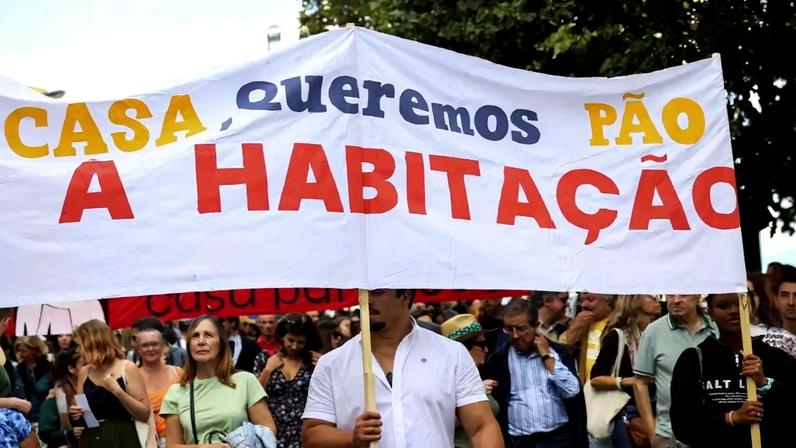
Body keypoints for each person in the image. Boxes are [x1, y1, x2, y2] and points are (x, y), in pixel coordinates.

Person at [302, 289, 502, 448]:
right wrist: (351, 438)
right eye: (363, 292)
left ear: (405, 297)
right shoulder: (332, 363)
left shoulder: (451, 354)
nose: (367, 300)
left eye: (377, 292)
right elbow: (312, 435)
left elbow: (481, 428)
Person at [670, 293, 796, 447]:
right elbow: (682, 426)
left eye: (740, 304)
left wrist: (764, 384)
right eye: (723, 306)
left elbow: (790, 417)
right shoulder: (694, 360)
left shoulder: (777, 359)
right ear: (710, 312)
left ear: (751, 308)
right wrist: (731, 418)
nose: (734, 311)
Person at [160, 315, 277, 446]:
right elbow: (172, 445)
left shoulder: (245, 381)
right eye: (195, 336)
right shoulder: (176, 392)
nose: (201, 341)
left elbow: (267, 431)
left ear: (221, 343)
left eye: (208, 335)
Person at [483, 298, 584, 448]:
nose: (515, 335)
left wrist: (546, 356)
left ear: (535, 326)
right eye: (509, 329)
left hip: (557, 440)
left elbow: (572, 391)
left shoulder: (559, 353)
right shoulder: (497, 361)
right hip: (518, 442)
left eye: (521, 328)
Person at [632, 294, 718, 448]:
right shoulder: (654, 332)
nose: (675, 300)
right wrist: (652, 432)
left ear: (697, 295)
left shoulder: (716, 327)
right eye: (671, 294)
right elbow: (640, 382)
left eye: (683, 294)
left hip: (714, 431)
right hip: (668, 435)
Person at [589, 295, 661, 448]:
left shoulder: (655, 333)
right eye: (650, 296)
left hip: (655, 407)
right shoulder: (618, 336)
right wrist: (630, 381)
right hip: (625, 410)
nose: (657, 299)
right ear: (634, 300)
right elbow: (595, 379)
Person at [70, 319, 151, 448]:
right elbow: (81, 413)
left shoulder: (127, 368)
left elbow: (144, 414)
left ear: (92, 343)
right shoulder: (84, 372)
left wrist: (118, 392)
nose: (78, 351)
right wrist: (76, 412)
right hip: (92, 439)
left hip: (122, 438)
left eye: (80, 345)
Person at [260, 313, 321, 448]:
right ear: (282, 337)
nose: (294, 346)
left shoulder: (312, 362)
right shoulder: (265, 358)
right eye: (291, 340)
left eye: (300, 342)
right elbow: (254, 396)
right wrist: (268, 371)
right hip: (273, 432)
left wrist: (323, 366)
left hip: (304, 433)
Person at [441, 314, 500, 448]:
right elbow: (440, 422)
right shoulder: (446, 378)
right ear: (464, 347)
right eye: (481, 344)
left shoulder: (481, 372)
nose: (486, 350)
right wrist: (472, 395)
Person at [138, 328, 182, 442]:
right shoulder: (132, 377)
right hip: (145, 441)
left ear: (164, 346)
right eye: (145, 345)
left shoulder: (178, 373)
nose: (150, 349)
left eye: (155, 344)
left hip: (180, 440)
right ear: (138, 349)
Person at [560, 293, 616, 384]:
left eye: (590, 299)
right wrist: (574, 328)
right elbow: (559, 351)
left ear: (608, 300)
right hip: (585, 390)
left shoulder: (619, 324)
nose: (584, 305)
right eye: (582, 301)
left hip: (610, 389)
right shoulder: (580, 323)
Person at [38, 348, 85, 447]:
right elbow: (45, 433)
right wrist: (70, 434)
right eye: (84, 365)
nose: (90, 368)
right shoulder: (56, 397)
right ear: (71, 369)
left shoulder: (92, 390)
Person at [14, 336, 52, 421]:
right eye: (18, 350)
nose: (20, 354)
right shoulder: (18, 370)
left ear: (35, 350)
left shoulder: (49, 368)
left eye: (24, 351)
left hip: (45, 416)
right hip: (25, 417)